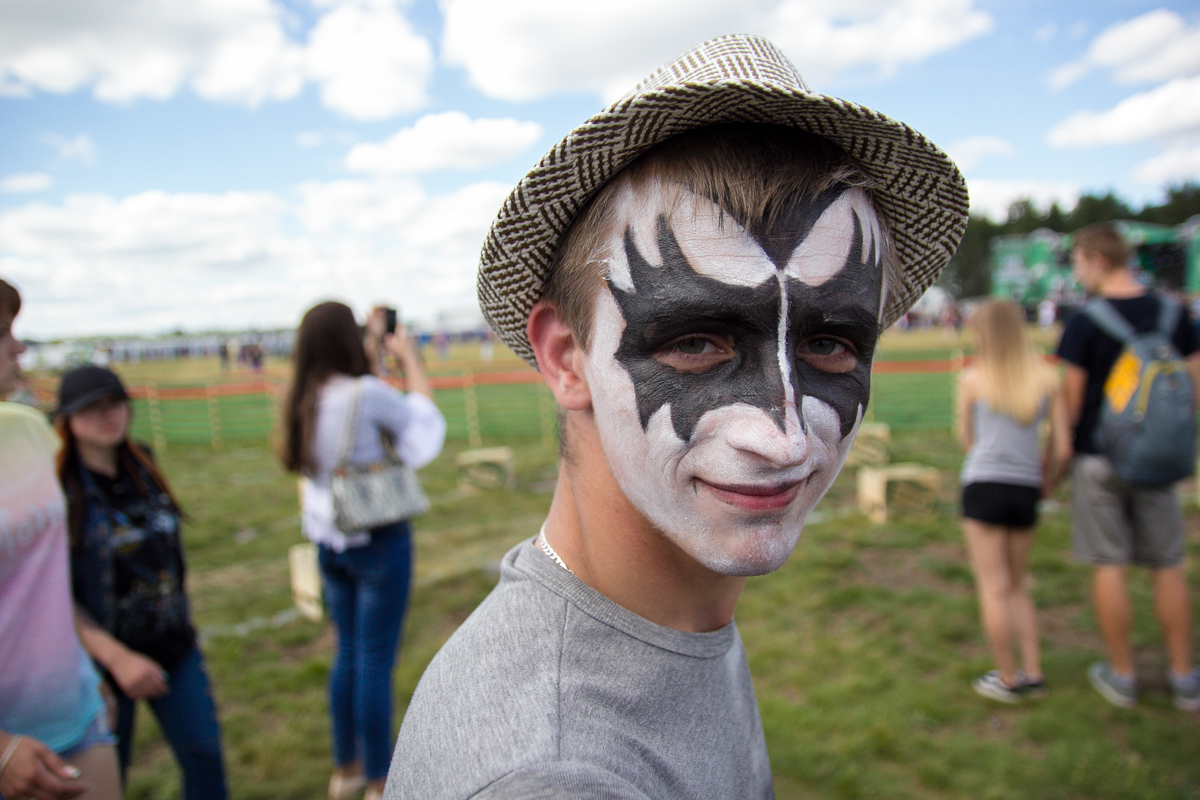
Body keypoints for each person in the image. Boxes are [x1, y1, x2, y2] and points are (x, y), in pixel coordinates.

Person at [384, 34, 968, 799]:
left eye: (830, 343)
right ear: (565, 357)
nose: (785, 438)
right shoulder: (555, 774)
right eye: (696, 342)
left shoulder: (670, 620)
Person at [280, 302, 445, 800]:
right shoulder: (366, 394)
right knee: (375, 661)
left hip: (330, 542)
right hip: (376, 538)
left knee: (347, 656)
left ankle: (345, 769)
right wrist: (410, 360)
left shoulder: (301, 396)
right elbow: (424, 432)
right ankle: (379, 781)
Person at [55, 364, 229, 798]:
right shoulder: (59, 491)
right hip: (104, 664)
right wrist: (115, 659)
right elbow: (54, 594)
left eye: (114, 403)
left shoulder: (143, 465)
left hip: (174, 645)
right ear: (67, 420)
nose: (106, 415)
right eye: (91, 408)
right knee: (109, 775)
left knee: (205, 757)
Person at [1056, 222, 1200, 710]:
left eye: (1077, 261)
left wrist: (1061, 457)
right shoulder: (1174, 313)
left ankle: (1123, 676)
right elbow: (1192, 390)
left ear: (1098, 260)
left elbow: (1072, 403)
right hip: (1160, 457)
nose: (1077, 272)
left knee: (1109, 563)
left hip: (1100, 459)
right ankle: (1185, 677)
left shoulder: (1084, 321)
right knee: (1168, 565)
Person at [0, 278, 121, 800]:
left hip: (73, 713)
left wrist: (85, 664)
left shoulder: (28, 430)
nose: (18, 347)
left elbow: (44, 577)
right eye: (2, 333)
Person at [957, 300, 1071, 702]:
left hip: (984, 483)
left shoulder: (973, 379)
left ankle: (1007, 678)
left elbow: (966, 439)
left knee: (994, 587)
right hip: (1026, 488)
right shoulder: (1047, 378)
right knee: (1018, 585)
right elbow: (1064, 447)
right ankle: (1033, 672)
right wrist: (1050, 480)